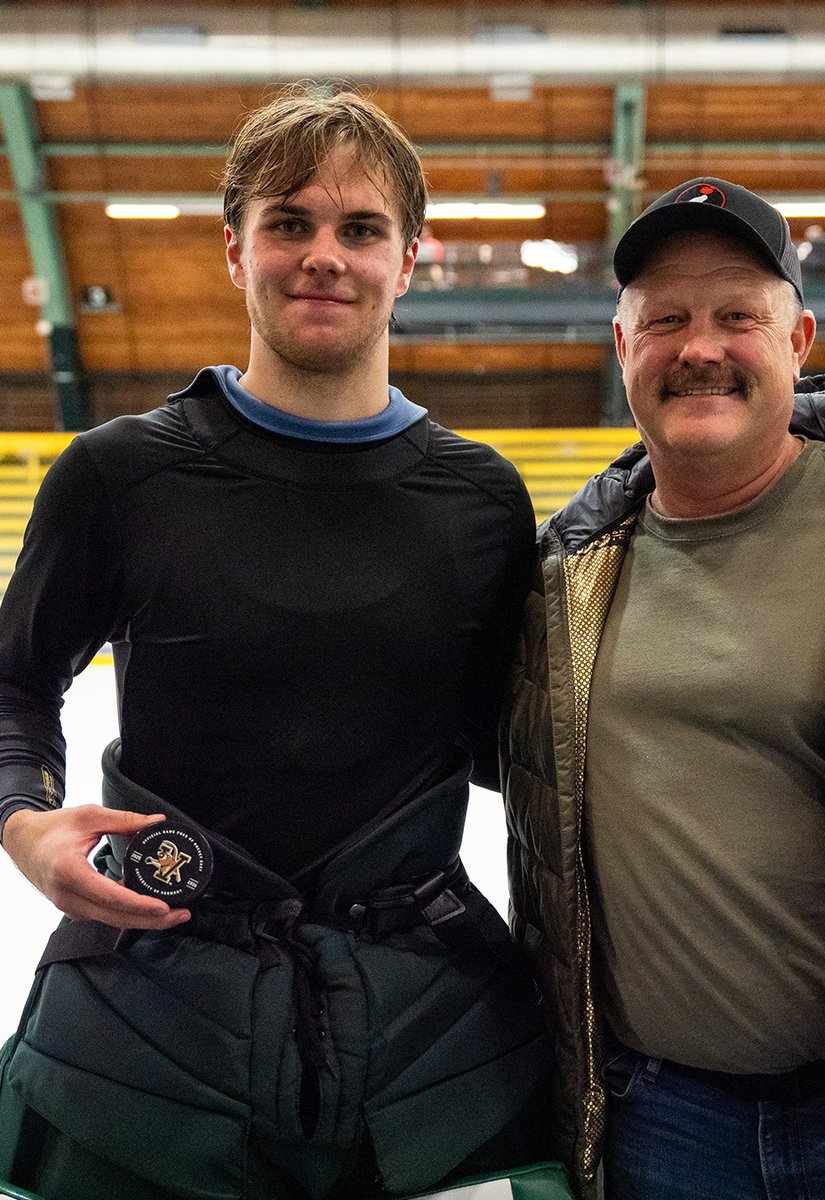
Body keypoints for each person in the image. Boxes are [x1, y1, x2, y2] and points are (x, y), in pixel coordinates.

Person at [0, 86, 554, 1200]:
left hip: (426, 1034)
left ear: (409, 262)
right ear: (234, 248)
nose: (323, 256)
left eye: (360, 230)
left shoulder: (481, 498)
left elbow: (516, 748)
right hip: (149, 1015)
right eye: (288, 223)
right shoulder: (119, 474)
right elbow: (13, 684)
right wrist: (25, 824)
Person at [501, 176, 825, 1200]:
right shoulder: (564, 582)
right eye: (665, 320)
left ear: (797, 340)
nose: (698, 347)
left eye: (735, 318)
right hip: (663, 1120)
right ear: (624, 347)